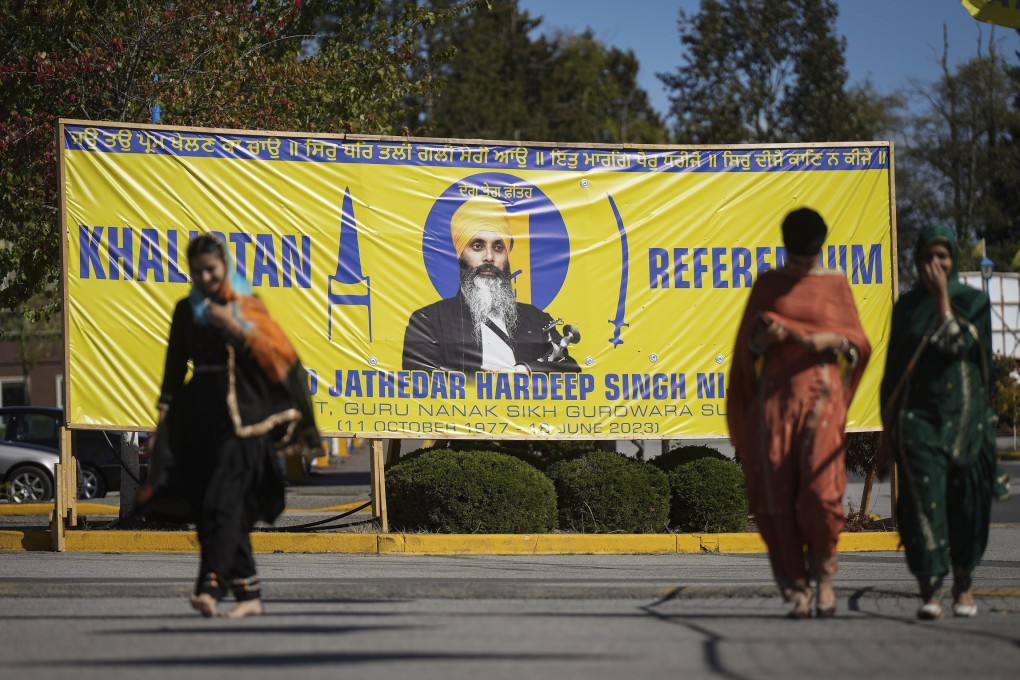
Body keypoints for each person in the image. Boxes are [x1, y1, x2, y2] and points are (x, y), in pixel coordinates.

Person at [139, 234, 320, 619]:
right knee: (212, 507)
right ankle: (249, 596)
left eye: (212, 269)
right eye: (198, 271)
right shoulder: (186, 310)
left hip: (246, 421)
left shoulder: (244, 304)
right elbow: (174, 369)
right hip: (200, 418)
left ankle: (210, 586)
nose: (205, 277)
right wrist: (163, 419)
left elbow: (279, 357)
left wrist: (234, 328)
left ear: (224, 267)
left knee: (224, 501)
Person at [727, 208, 871, 619]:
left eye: (806, 260)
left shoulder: (835, 284)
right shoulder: (769, 284)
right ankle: (795, 585)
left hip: (822, 398)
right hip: (776, 401)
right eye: (795, 259)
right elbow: (745, 350)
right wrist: (761, 339)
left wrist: (833, 340)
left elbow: (857, 342)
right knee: (772, 489)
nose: (801, 268)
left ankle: (823, 574)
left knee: (819, 492)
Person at [879, 224, 1002, 620]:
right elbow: (894, 373)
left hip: (968, 422)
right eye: (928, 257)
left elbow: (964, 347)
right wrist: (886, 432)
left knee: (967, 505)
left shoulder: (974, 304)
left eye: (943, 257)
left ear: (953, 260)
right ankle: (929, 589)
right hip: (919, 423)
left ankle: (963, 586)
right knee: (922, 505)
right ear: (917, 261)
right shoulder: (908, 307)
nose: (935, 264)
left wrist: (944, 300)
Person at [402, 196, 580, 374]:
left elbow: (570, 369)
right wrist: (475, 380)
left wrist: (527, 370)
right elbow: (418, 376)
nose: (489, 257)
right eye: (477, 246)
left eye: (498, 247)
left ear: (506, 256)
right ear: (460, 255)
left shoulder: (536, 319)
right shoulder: (428, 321)